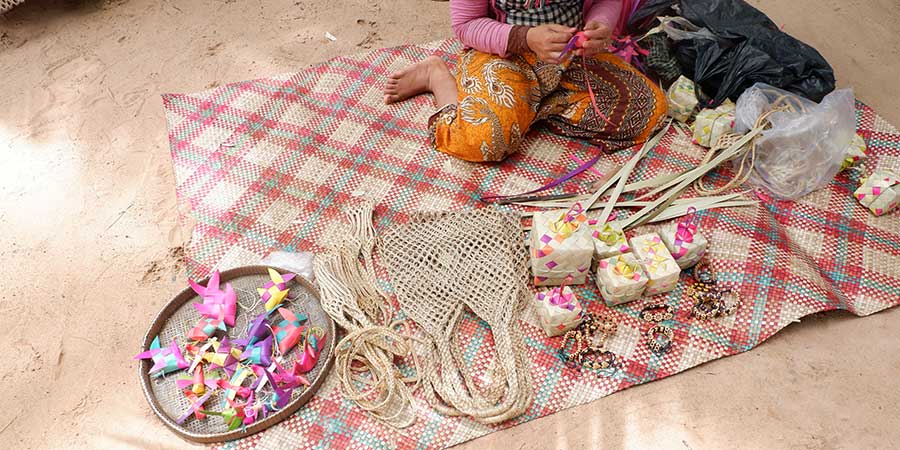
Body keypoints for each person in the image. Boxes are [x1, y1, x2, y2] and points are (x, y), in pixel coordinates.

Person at [383, 0, 667, 163]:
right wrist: (526, 38)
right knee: (484, 141)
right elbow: (466, 25)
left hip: (567, 59)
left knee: (649, 108)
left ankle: (527, 108)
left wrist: (599, 25)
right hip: (503, 55)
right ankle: (438, 78)